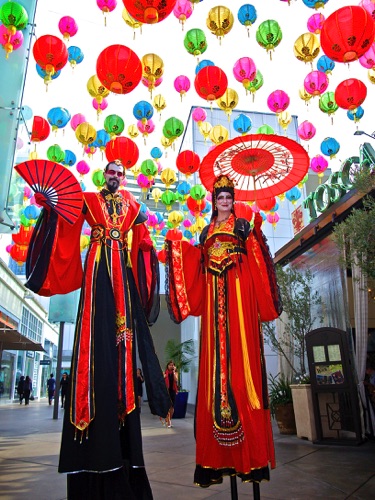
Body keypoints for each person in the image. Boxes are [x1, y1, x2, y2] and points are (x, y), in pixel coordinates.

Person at [24, 160, 170, 499]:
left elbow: (144, 242)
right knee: (94, 333)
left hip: (122, 268)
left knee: (124, 340)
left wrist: (149, 248)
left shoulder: (134, 207)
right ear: (104, 175)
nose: (116, 177)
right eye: (111, 172)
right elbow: (68, 221)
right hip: (97, 268)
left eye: (120, 173)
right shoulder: (89, 199)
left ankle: (121, 418)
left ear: (124, 178)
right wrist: (50, 209)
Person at [165, 175, 282, 488]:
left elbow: (256, 259)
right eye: (220, 197)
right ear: (213, 201)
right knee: (216, 368)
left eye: (229, 197)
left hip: (239, 299)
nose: (225, 202)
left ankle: (251, 459)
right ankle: (214, 461)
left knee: (241, 367)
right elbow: (197, 261)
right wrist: (177, 249)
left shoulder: (243, 228)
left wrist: (256, 235)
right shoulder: (205, 231)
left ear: (233, 200)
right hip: (214, 300)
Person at [164, 361, 178, 428]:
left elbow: (176, 380)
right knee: (168, 407)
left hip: (173, 391)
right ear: (167, 366)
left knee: (172, 407)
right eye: (170, 365)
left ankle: (169, 420)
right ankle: (169, 422)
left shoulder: (175, 373)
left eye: (172, 365)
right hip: (167, 391)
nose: (171, 366)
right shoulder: (165, 373)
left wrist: (174, 372)